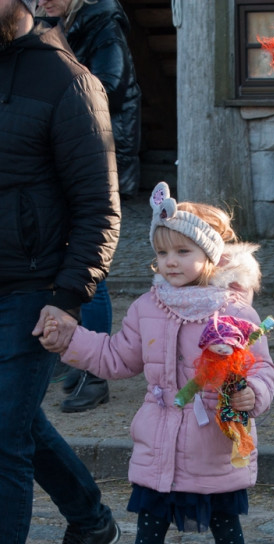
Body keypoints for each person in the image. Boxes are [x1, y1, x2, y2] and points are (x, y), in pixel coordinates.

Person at [41, 182, 274, 544]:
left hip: (214, 438)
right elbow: (117, 358)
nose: (171, 262)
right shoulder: (148, 306)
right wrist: (71, 341)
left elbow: (262, 368)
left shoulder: (234, 311)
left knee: (224, 523)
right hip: (158, 437)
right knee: (149, 525)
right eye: (162, 252)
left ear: (208, 256)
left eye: (183, 251)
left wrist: (253, 394)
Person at [0, 0, 121, 544]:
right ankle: (91, 517)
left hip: (35, 286)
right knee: (14, 421)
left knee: (2, 435)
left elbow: (100, 206)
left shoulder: (70, 82)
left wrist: (69, 296)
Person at [38, 0, 143, 411]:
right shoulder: (59, 21)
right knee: (67, 259)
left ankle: (95, 373)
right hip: (64, 153)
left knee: (89, 266)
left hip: (97, 152)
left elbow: (110, 85)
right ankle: (76, 359)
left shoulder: (102, 22)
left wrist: (60, 95)